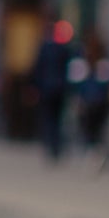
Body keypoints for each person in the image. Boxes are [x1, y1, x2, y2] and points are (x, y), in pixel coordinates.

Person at [31, 20, 75, 162]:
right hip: (59, 88)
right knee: (56, 118)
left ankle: (51, 145)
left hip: (48, 88)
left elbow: (38, 68)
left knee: (49, 118)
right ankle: (55, 146)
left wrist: (35, 86)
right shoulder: (65, 49)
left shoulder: (46, 48)